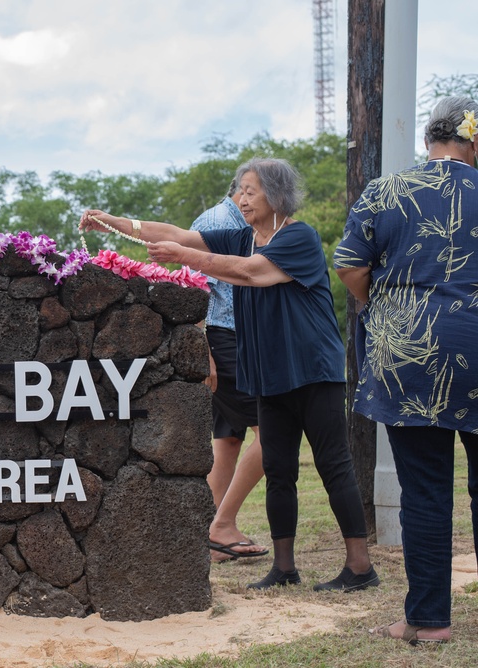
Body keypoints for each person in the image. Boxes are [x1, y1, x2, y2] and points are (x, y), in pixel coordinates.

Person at [80, 157, 378, 592]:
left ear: (276, 196)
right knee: (278, 470)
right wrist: (112, 224)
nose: (241, 198)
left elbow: (248, 273)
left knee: (333, 466)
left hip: (313, 371)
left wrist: (186, 258)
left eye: (250, 191)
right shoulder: (241, 236)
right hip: (269, 374)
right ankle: (283, 567)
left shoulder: (298, 237)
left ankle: (359, 567)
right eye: (240, 190)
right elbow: (176, 233)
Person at [335, 96, 478, 645]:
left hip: (410, 355)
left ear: (428, 140)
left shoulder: (386, 190)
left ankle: (429, 620)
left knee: (424, 490)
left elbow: (349, 265)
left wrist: (385, 308)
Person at [189, 180, 268, 563]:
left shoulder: (239, 222)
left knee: (228, 440)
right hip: (227, 343)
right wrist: (204, 350)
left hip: (233, 341)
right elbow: (195, 288)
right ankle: (222, 525)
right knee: (273, 432)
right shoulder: (221, 221)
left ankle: (210, 535)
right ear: (245, 191)